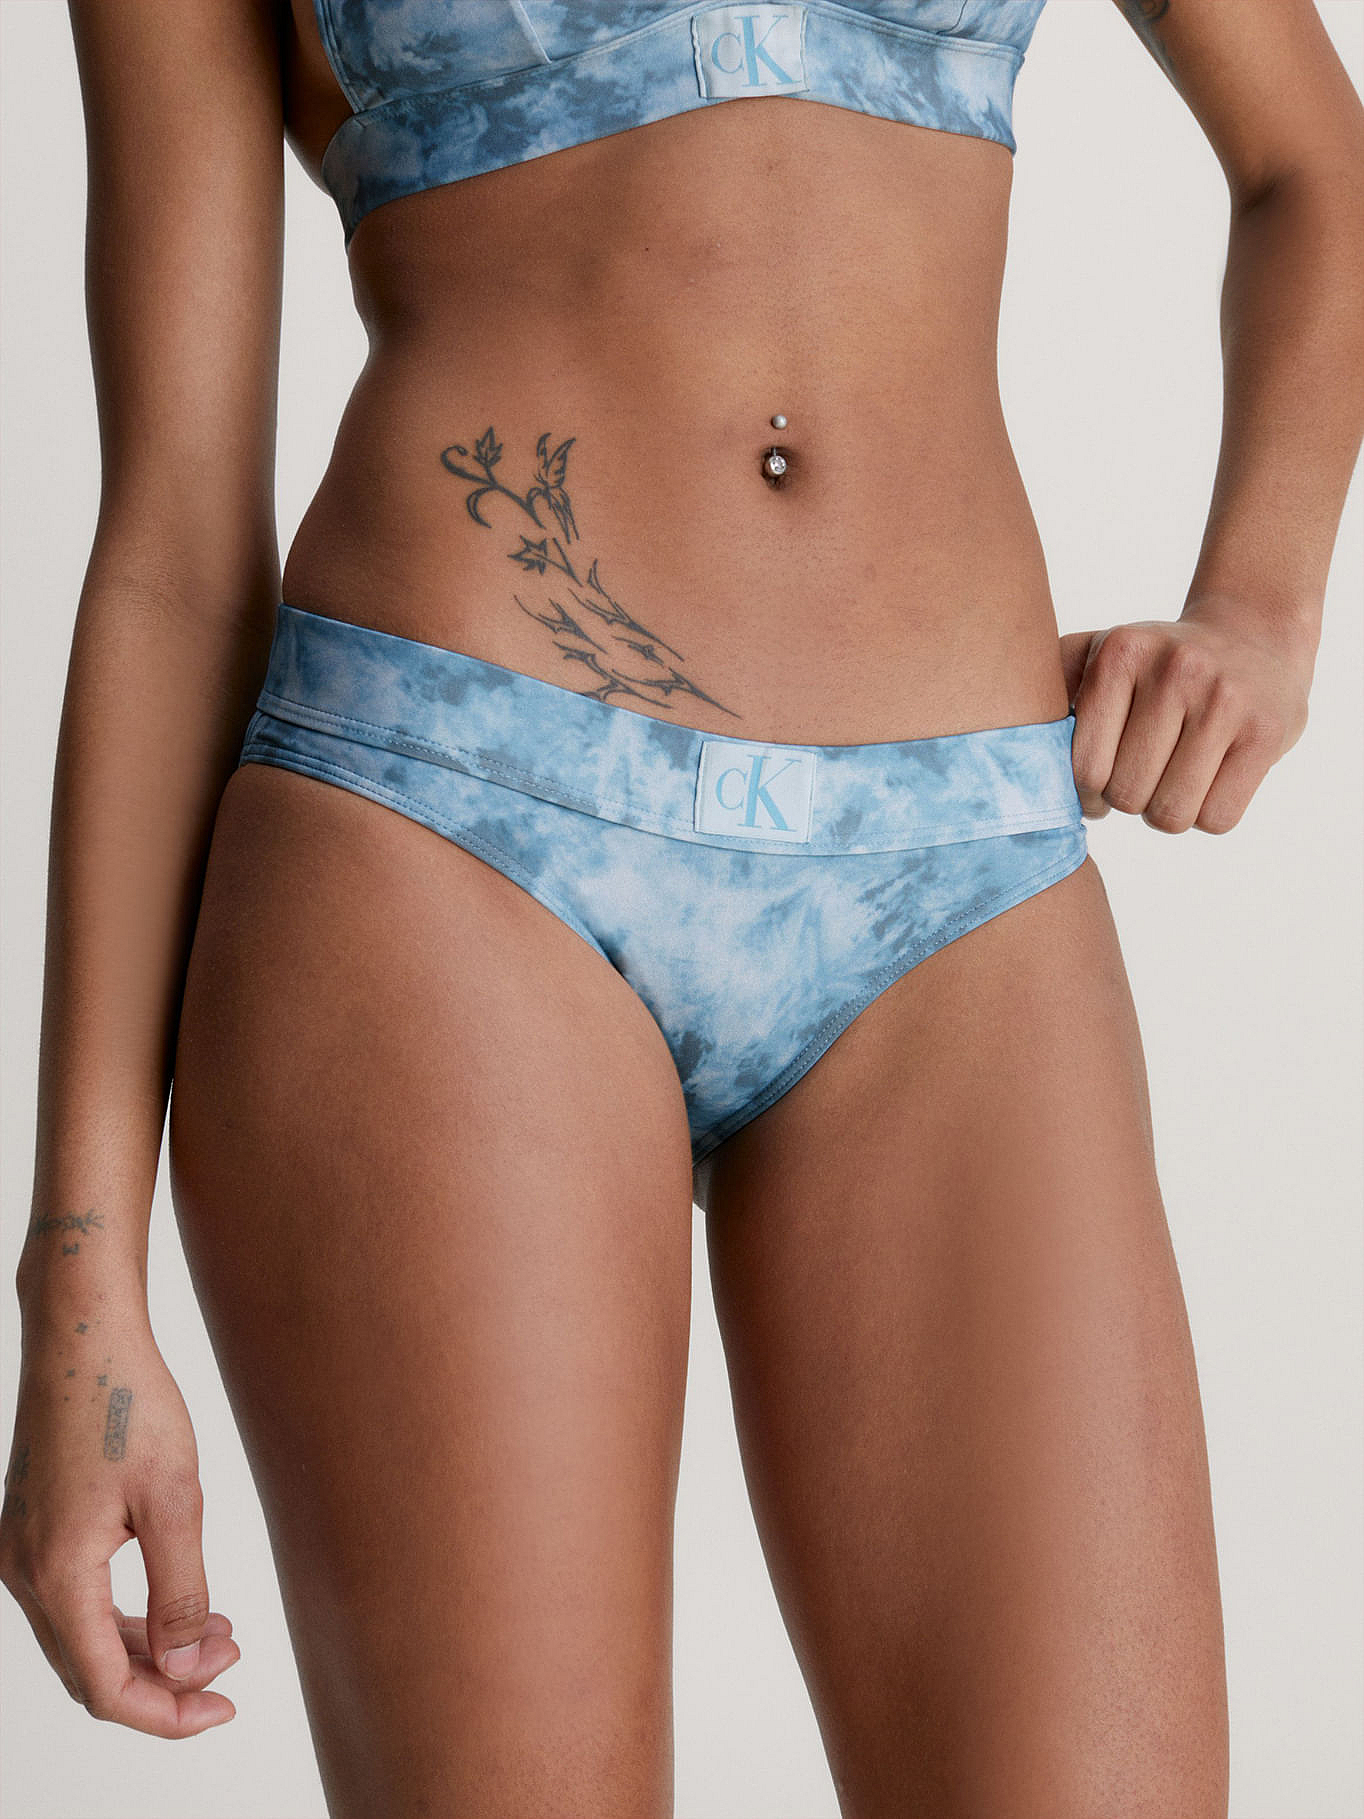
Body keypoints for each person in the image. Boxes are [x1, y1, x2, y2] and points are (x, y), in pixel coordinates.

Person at [3, 0, 1361, 1813]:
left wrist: (1260, 606)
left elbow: (1311, 161)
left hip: (957, 869)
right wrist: (79, 1283)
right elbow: (178, 550)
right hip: (449, 830)